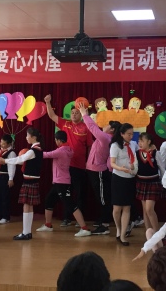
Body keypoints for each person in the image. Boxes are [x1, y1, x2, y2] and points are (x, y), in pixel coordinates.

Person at [44, 94, 93, 227]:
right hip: (66, 166)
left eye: (76, 113)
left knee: (80, 193)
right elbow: (52, 116)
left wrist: (88, 162)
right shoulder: (65, 124)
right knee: (66, 193)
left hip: (80, 166)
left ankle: (80, 221)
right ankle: (66, 218)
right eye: (72, 113)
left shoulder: (86, 127)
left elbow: (90, 146)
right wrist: (48, 102)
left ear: (81, 114)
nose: (74, 115)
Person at [35, 131, 92, 237]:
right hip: (58, 182)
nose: (55, 142)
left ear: (59, 140)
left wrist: (32, 151)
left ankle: (84, 228)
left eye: (56, 140)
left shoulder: (61, 151)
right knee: (49, 200)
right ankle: (48, 225)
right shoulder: (68, 149)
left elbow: (45, 155)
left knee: (71, 205)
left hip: (62, 182)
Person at [0, 127, 44, 240]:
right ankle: (27, 232)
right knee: (29, 207)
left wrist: (4, 160)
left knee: (26, 206)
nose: (26, 137)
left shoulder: (33, 151)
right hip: (32, 181)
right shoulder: (37, 149)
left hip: (29, 181)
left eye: (27, 135)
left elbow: (20, 159)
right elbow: (21, 161)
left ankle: (26, 232)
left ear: (33, 137)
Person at [78, 102, 116, 235]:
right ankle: (102, 221)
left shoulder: (106, 138)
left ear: (112, 130)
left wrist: (84, 114)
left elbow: (92, 128)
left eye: (108, 125)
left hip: (99, 171)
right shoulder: (104, 138)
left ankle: (105, 225)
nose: (104, 126)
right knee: (99, 197)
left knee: (103, 198)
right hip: (93, 170)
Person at [109, 123, 138, 246]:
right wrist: (121, 168)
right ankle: (118, 228)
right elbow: (112, 163)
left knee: (127, 207)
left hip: (130, 178)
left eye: (132, 134)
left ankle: (123, 235)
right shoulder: (115, 146)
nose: (131, 136)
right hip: (118, 178)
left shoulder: (133, 144)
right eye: (128, 134)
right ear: (121, 134)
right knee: (117, 209)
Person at [135, 132, 162, 233]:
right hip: (141, 183)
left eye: (142, 141)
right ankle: (149, 234)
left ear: (149, 141)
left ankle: (157, 233)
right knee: (145, 211)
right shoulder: (137, 153)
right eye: (139, 141)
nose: (140, 143)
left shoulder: (156, 153)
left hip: (153, 183)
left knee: (149, 209)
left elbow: (162, 168)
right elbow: (135, 167)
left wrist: (164, 181)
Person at [0, 134, 16, 224]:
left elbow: (12, 166)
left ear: (9, 144)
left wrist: (11, 178)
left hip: (5, 177)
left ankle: (5, 217)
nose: (1, 144)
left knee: (5, 197)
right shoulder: (0, 151)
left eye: (4, 143)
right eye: (1, 142)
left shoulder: (11, 153)